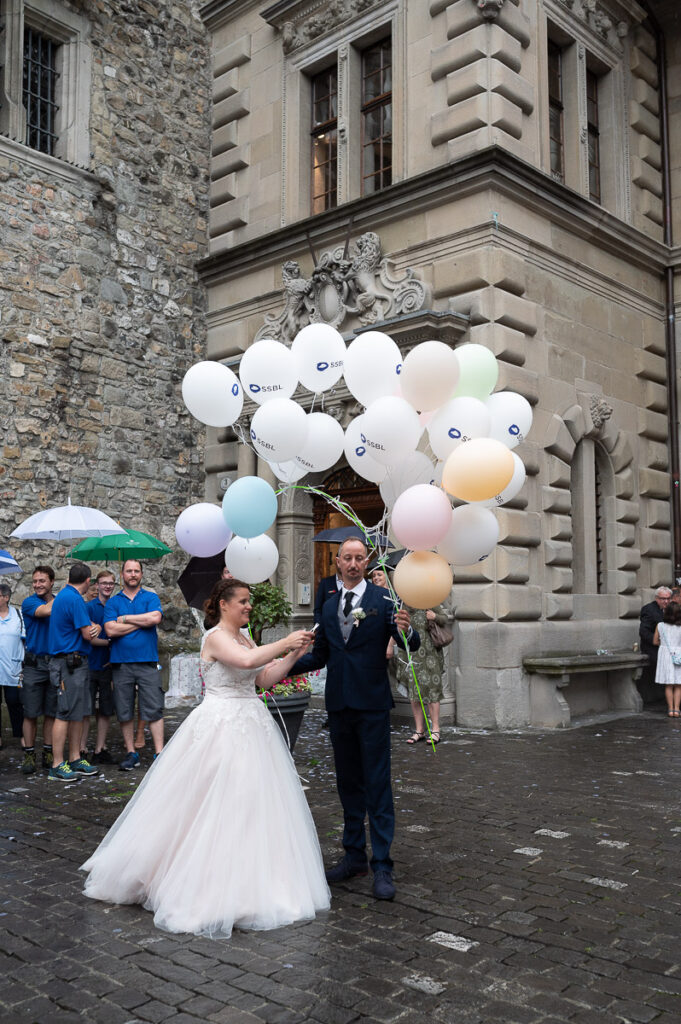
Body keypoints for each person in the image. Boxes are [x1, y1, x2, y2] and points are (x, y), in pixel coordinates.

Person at [81, 578, 329, 937]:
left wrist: (293, 654)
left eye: (249, 602)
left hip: (252, 724)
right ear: (224, 604)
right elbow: (243, 661)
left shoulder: (246, 637)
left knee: (251, 804)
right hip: (219, 726)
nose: (248, 607)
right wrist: (284, 641)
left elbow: (262, 678)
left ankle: (251, 883)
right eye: (242, 601)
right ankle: (195, 879)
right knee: (211, 803)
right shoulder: (215, 637)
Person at [292, 537, 420, 901]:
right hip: (340, 705)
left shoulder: (385, 600)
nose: (352, 563)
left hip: (373, 706)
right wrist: (282, 665)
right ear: (336, 561)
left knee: (377, 784)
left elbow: (410, 644)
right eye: (346, 558)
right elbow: (320, 655)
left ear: (367, 562)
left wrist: (407, 630)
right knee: (348, 784)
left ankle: (382, 865)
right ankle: (353, 857)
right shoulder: (330, 603)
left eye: (359, 558)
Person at [104, 559, 163, 770]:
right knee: (125, 710)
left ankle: (159, 753)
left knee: (154, 708)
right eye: (129, 571)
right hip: (121, 664)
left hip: (147, 662)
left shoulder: (151, 597)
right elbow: (110, 630)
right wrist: (140, 623)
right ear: (122, 574)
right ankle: (131, 752)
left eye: (136, 571)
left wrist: (126, 619)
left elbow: (155, 618)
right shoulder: (113, 602)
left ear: (141, 574)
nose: (133, 574)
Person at [47, 562, 102, 782]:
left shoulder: (63, 596)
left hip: (74, 663)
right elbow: (88, 634)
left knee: (78, 711)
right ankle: (57, 763)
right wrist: (97, 627)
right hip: (68, 664)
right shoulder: (75, 599)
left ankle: (75, 758)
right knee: (65, 712)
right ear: (88, 581)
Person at [392, 603, 449, 745]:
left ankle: (435, 729)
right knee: (414, 691)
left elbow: (444, 619)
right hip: (410, 653)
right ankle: (419, 730)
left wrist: (434, 616)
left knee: (432, 690)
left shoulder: (429, 599)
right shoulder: (403, 604)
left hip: (429, 654)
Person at [21, 565, 57, 774]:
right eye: (35, 581)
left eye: (42, 581)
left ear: (51, 582)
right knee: (31, 713)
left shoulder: (59, 600)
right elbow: (44, 611)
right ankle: (28, 753)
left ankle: (48, 751)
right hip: (34, 665)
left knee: (52, 713)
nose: (37, 585)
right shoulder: (29, 602)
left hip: (54, 663)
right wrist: (67, 594)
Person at [82, 570, 117, 764]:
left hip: (108, 666)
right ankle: (82, 748)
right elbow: (89, 638)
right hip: (89, 663)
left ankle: (99, 748)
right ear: (97, 585)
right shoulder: (88, 608)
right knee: (86, 710)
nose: (107, 586)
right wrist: (111, 643)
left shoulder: (116, 606)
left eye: (111, 583)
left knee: (105, 710)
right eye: (104, 583)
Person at [0, 584, 25, 748]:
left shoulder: (18, 615)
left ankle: (22, 736)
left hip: (14, 666)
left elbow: (25, 639)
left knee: (15, 701)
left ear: (6, 597)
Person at [654, 602, 681, 716]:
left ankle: (670, 709)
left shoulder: (660, 625)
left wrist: (664, 644)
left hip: (665, 655)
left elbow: (655, 641)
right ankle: (677, 709)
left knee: (668, 684)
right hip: (679, 655)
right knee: (678, 684)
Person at [639, 587, 672, 677]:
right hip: (653, 649)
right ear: (657, 598)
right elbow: (644, 632)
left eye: (668, 598)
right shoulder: (649, 609)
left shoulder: (672, 609)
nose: (666, 601)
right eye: (663, 599)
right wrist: (658, 641)